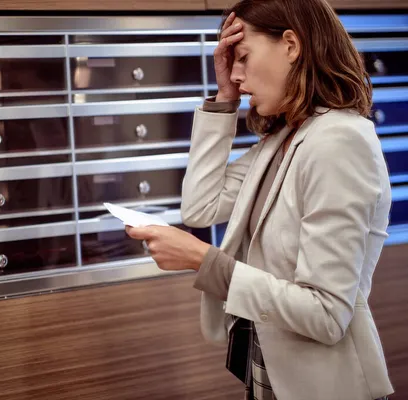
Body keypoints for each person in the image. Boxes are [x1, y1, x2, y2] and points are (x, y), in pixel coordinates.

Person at [125, 0, 394, 399]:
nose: (236, 75)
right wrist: (224, 98)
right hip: (272, 375)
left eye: (243, 57)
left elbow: (326, 314)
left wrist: (204, 261)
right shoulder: (285, 139)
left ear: (291, 45)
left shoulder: (338, 142)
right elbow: (200, 206)